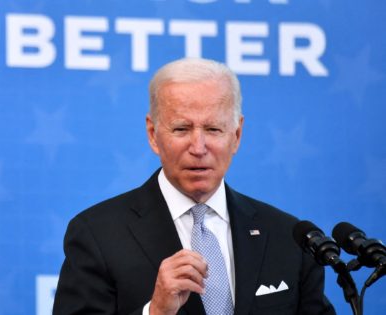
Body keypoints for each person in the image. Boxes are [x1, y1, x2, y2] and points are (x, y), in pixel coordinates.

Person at [53, 58, 335, 315]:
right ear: (153, 135)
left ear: (236, 135)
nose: (198, 148)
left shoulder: (289, 237)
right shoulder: (97, 235)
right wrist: (157, 312)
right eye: (181, 129)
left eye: (213, 129)